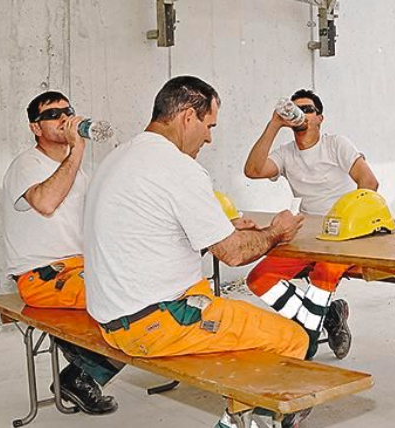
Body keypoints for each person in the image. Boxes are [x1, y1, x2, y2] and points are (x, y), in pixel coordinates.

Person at [83, 76, 312, 427]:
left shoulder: (119, 158)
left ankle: (239, 413)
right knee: (292, 339)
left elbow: (147, 235)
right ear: (188, 117)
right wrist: (275, 233)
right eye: (209, 126)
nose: (209, 137)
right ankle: (238, 420)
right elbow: (233, 255)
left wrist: (219, 229)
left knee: (234, 318)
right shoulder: (178, 167)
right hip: (155, 322)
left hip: (112, 315)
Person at [0, 91, 121, 415]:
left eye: (68, 111)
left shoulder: (77, 172)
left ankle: (80, 373)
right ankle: (80, 375)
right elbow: (45, 202)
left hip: (81, 270)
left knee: (146, 292)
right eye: (53, 114)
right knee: (126, 298)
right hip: (43, 276)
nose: (64, 118)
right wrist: (77, 149)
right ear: (35, 128)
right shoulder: (27, 165)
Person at [242, 89, 378, 360]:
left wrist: (351, 223)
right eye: (296, 108)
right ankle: (329, 314)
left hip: (342, 237)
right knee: (259, 279)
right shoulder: (286, 153)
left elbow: (369, 183)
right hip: (305, 237)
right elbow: (253, 170)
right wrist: (274, 124)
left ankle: (307, 342)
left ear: (320, 118)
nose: (301, 113)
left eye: (308, 109)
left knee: (324, 273)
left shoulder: (336, 144)